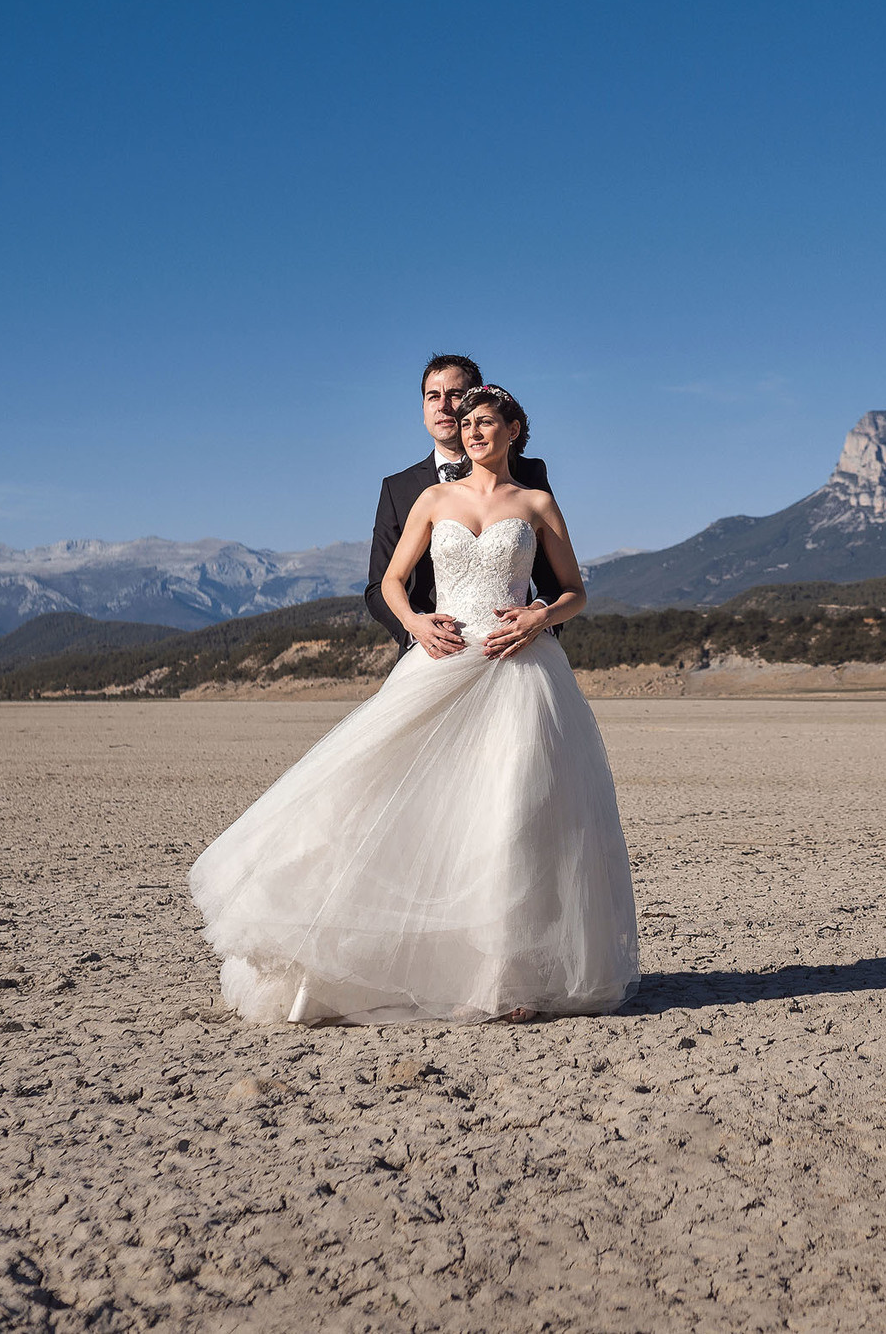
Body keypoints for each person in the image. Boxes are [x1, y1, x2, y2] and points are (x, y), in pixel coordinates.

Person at [189, 385, 637, 1025]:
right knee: (383, 790)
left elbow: (575, 592)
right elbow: (392, 582)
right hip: (442, 662)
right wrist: (418, 625)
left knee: (513, 813)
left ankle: (509, 979)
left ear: (514, 430)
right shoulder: (433, 499)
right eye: (467, 422)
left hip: (518, 669)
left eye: (486, 422)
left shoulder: (536, 502)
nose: (474, 431)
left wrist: (540, 615)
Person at [365, 353, 564, 655]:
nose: (443, 406)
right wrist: (417, 629)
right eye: (433, 396)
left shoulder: (529, 476)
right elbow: (379, 585)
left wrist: (537, 618)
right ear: (422, 408)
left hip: (515, 651)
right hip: (431, 656)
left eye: (454, 395)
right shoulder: (397, 488)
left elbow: (557, 581)